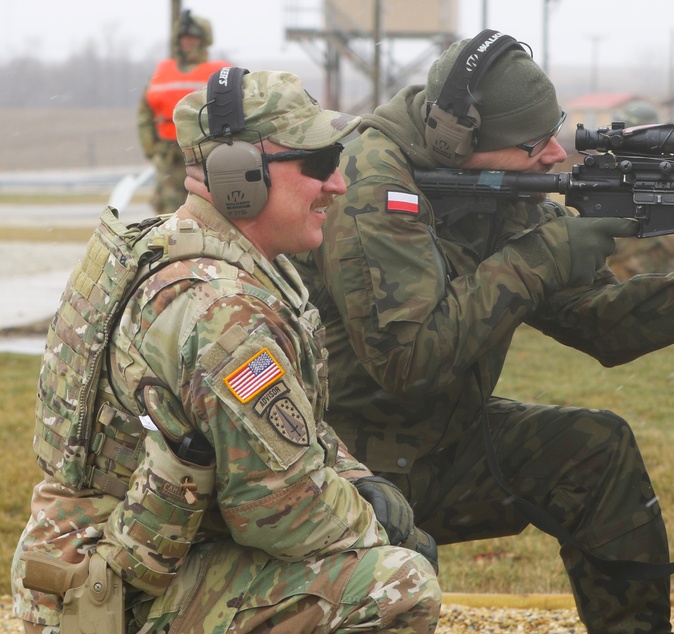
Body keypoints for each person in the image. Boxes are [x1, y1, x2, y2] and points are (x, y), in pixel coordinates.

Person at [296, 30, 674, 634]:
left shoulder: (498, 185)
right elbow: (408, 364)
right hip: (343, 470)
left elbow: (601, 322)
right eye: (533, 143)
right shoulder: (370, 187)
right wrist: (538, 257)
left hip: (438, 443)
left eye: (554, 132)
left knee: (595, 451)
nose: (554, 156)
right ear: (457, 139)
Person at [12, 68, 440, 633]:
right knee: (399, 584)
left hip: (98, 564)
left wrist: (362, 484)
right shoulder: (223, 312)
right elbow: (283, 512)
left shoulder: (172, 248)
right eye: (317, 164)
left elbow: (294, 431)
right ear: (241, 178)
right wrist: (384, 528)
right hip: (109, 600)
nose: (337, 183)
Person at [136, 10, 230, 215]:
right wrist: (151, 149)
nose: (187, 42)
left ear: (203, 41)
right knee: (168, 213)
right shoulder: (163, 73)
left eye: (193, 38)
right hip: (169, 158)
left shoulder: (219, 74)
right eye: (184, 38)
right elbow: (144, 113)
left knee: (207, 211)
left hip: (206, 154)